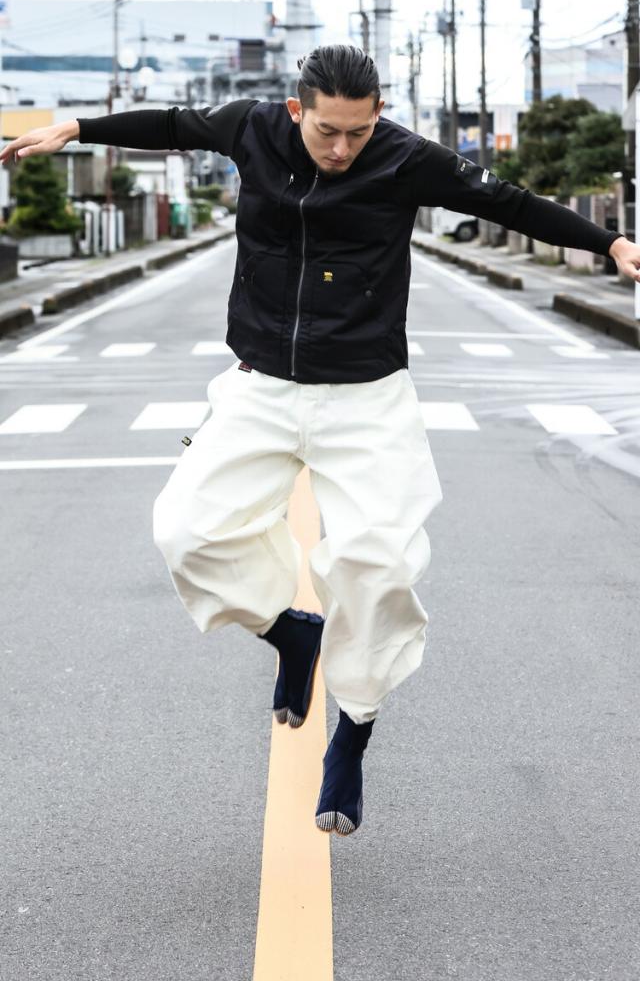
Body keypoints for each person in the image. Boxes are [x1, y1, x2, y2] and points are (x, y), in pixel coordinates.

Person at [3, 44, 640, 837]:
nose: (342, 149)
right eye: (327, 131)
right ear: (296, 110)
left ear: (379, 116)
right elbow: (173, 123)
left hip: (366, 397)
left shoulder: (406, 158)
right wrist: (77, 127)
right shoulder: (252, 128)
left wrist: (609, 243)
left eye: (358, 133)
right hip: (261, 385)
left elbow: (507, 202)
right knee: (187, 532)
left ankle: (354, 730)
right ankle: (292, 633)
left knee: (380, 568)